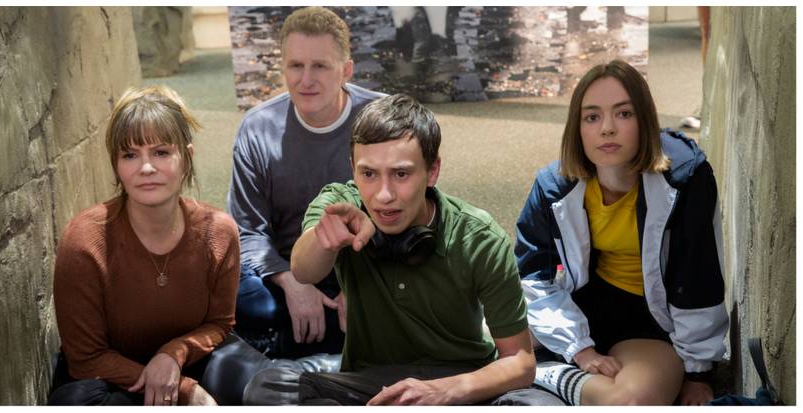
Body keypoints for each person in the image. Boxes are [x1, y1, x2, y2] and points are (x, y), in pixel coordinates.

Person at [244, 94, 557, 406]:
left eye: (401, 174)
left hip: (460, 382)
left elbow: (520, 361)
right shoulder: (340, 205)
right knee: (269, 388)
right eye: (368, 174)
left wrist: (445, 390)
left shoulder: (480, 238)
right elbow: (303, 269)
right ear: (353, 169)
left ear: (432, 171)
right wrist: (327, 239)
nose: (383, 195)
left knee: (538, 406)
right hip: (372, 384)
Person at [514, 59, 728, 405]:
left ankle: (537, 374)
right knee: (476, 341)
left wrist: (697, 372)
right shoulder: (553, 187)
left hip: (649, 319)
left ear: (645, 121)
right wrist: (580, 349)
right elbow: (532, 277)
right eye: (592, 117)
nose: (607, 129)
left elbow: (699, 277)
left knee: (630, 402)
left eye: (624, 114)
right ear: (577, 128)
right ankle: (539, 370)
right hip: (577, 305)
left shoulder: (686, 178)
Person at [50, 85, 250, 405]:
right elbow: (85, 357)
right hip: (111, 377)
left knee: (251, 381)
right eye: (130, 155)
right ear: (116, 164)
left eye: (160, 152)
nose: (146, 168)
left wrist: (173, 354)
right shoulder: (84, 240)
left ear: (186, 157)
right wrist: (186, 392)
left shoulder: (219, 230)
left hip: (192, 360)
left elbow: (220, 323)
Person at [227, 6, 385, 360]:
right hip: (285, 269)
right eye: (296, 66)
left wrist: (365, 286)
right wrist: (292, 280)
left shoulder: (383, 120)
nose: (305, 79)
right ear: (282, 67)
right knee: (232, 296)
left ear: (346, 70)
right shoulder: (256, 129)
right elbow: (247, 229)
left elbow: (411, 211)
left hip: (369, 262)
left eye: (320, 66)